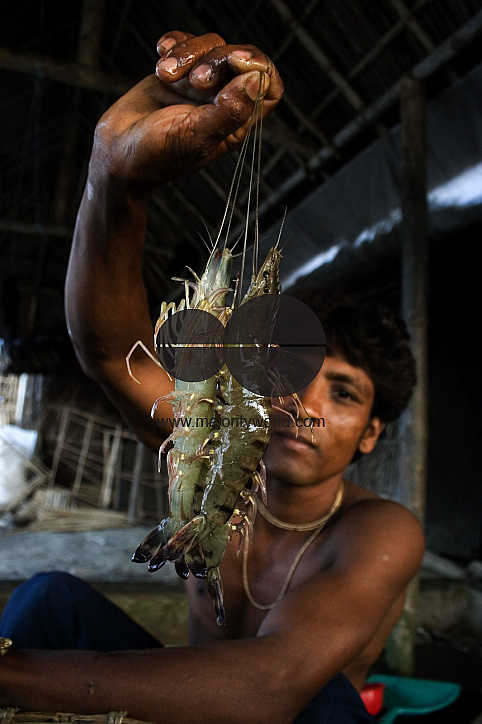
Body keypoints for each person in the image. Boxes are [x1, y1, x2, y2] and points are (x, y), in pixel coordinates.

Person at [0, 31, 425, 724]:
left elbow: (269, 685)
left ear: (373, 433)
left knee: (320, 698)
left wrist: (10, 674)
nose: (303, 400)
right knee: (46, 598)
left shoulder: (380, 532)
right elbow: (111, 352)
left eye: (343, 392)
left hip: (279, 711)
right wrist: (114, 175)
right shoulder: (212, 441)